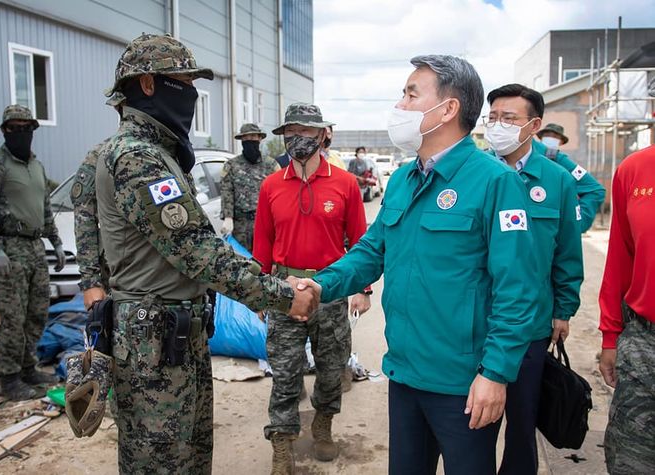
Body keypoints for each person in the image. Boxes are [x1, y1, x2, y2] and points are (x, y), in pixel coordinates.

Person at [299, 55, 540, 474]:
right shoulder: (404, 180)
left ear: (448, 109)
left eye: (412, 93)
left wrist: (496, 374)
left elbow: (517, 289)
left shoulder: (495, 182)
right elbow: (371, 252)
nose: (401, 104)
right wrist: (320, 286)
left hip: (464, 383)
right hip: (406, 373)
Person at [94, 34, 317, 474]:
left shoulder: (161, 153)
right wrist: (280, 295)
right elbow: (196, 251)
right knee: (161, 462)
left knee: (191, 458)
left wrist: (263, 278)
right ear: (148, 84)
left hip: (174, 335)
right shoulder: (138, 158)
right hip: (152, 343)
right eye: (183, 81)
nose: (192, 92)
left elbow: (204, 243)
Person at [253, 103, 372, 474]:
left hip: (331, 289)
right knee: (285, 371)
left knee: (331, 366)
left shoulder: (345, 183)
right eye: (292, 131)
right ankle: (282, 442)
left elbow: (361, 241)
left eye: (307, 131)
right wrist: (259, 291)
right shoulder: (271, 185)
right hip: (284, 292)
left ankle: (323, 424)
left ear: (322, 135)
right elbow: (261, 243)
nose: (298, 138)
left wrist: (362, 288)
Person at [484, 84, 584, 475]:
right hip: (479, 320)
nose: (498, 126)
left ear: (533, 125)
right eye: (492, 118)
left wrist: (563, 310)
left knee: (522, 422)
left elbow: (567, 254)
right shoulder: (478, 173)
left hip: (531, 326)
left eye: (508, 118)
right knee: (475, 421)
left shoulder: (557, 181)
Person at [0, 104, 65, 400]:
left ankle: (28, 368)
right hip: (10, 250)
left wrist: (57, 241)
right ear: (4, 131)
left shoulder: (36, 166)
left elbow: (45, 208)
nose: (20, 133)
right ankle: (10, 378)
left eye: (26, 128)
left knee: (37, 313)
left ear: (33, 130)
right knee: (12, 316)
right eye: (13, 128)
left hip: (35, 248)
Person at [598, 144, 655, 474]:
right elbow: (619, 260)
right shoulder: (634, 170)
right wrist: (610, 335)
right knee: (631, 461)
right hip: (644, 344)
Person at [71, 92, 125, 310]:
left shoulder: (170, 153)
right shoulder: (103, 155)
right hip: (117, 275)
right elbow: (84, 216)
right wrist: (91, 282)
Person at [535, 123, 606, 232]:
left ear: (561, 142)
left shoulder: (561, 161)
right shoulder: (530, 155)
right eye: (548, 135)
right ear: (540, 138)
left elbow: (595, 190)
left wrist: (577, 223)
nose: (551, 139)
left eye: (555, 137)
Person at [220, 123, 279, 252]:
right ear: (241, 140)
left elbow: (280, 192)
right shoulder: (231, 165)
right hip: (240, 224)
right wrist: (228, 217)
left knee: (265, 260)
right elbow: (227, 191)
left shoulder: (271, 165)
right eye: (246, 138)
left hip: (265, 222)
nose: (249, 140)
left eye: (253, 137)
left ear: (259, 139)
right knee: (242, 261)